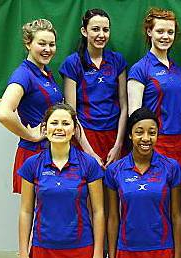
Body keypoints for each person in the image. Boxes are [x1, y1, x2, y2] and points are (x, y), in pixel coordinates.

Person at [17, 103, 105, 258]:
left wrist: (97, 256)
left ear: (74, 129)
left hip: (80, 250)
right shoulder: (32, 165)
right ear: (44, 128)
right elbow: (26, 211)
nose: (59, 128)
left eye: (66, 123)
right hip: (45, 251)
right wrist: (24, 255)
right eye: (54, 123)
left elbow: (99, 211)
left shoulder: (89, 164)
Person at [105, 107, 181, 258]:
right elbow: (113, 218)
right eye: (139, 132)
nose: (146, 138)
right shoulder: (115, 170)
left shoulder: (171, 167)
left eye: (152, 132)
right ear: (130, 134)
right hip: (128, 253)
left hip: (160, 252)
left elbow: (177, 217)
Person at [0, 19, 63, 193]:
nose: (47, 49)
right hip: (34, 154)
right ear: (28, 43)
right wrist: (30, 135)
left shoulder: (45, 73)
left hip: (52, 152)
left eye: (52, 44)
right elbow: (4, 113)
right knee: (34, 212)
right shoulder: (23, 74)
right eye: (42, 43)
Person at [60, 8, 128, 167]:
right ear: (84, 31)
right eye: (95, 29)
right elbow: (71, 112)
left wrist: (118, 145)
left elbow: (124, 106)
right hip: (85, 136)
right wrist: (89, 152)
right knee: (90, 189)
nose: (101, 34)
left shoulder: (117, 61)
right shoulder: (73, 63)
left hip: (114, 136)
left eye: (105, 30)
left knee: (113, 189)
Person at [127, 7, 181, 167]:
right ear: (150, 32)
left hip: (180, 143)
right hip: (155, 144)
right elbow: (134, 115)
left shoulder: (178, 70)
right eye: (160, 31)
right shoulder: (140, 69)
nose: (166, 36)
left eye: (170, 32)